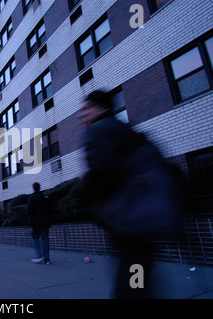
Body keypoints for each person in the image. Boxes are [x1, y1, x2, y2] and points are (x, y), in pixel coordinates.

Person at [77, 90, 164, 298]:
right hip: (144, 221)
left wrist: (84, 191)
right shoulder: (127, 131)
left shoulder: (99, 130)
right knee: (139, 278)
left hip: (128, 224)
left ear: (103, 108)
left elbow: (102, 174)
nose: (82, 115)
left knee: (131, 285)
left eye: (87, 109)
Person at [27, 182, 51, 264]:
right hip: (45, 222)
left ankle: (39, 255)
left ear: (33, 188)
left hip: (36, 223)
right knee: (45, 240)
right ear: (39, 188)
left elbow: (30, 211)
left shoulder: (32, 198)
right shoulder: (45, 197)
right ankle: (47, 259)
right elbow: (49, 209)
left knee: (34, 238)